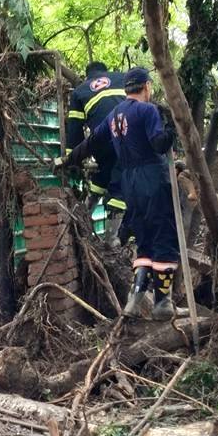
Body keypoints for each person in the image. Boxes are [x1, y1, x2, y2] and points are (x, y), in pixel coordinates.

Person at [66, 67, 178, 320]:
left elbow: (91, 142)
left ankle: (134, 299)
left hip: (129, 182)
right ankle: (162, 302)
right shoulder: (148, 110)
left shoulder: (115, 115)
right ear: (147, 86)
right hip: (152, 177)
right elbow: (158, 143)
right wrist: (172, 129)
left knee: (144, 239)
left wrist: (69, 158)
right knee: (163, 235)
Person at [64, 61, 127, 245]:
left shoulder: (80, 91)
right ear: (105, 71)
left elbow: (74, 128)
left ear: (87, 76)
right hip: (127, 134)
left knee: (102, 176)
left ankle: (80, 222)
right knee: (118, 185)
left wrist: (72, 159)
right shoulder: (121, 77)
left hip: (101, 140)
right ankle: (111, 240)